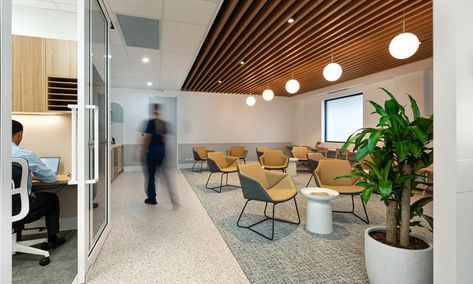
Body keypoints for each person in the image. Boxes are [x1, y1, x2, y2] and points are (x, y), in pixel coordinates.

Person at [11, 120, 65, 250]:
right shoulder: (26, 155)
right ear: (20, 134)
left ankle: (16, 238)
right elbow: (51, 178)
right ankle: (52, 239)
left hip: (3, 208)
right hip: (19, 208)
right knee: (52, 199)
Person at [140, 104, 178, 207]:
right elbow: (165, 140)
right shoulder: (164, 124)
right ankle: (173, 197)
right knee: (165, 176)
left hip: (151, 153)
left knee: (151, 177)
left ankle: (152, 199)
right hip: (161, 153)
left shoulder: (150, 123)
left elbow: (147, 139)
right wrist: (161, 149)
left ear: (152, 111)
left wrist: (142, 153)